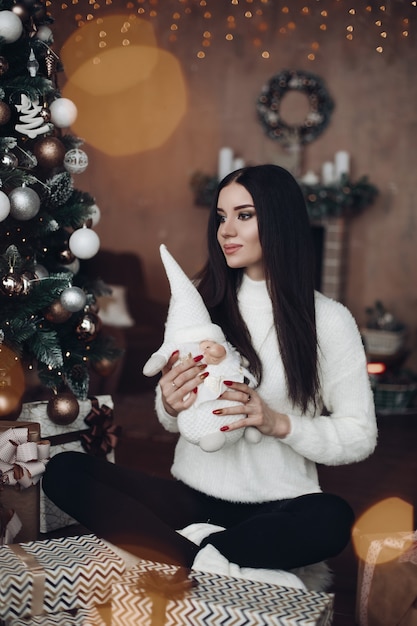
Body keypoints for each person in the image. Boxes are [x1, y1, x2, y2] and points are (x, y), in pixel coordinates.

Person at [43, 164, 377, 577]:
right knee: (64, 471)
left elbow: (360, 436)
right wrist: (169, 401)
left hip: (280, 507)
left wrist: (278, 423)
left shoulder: (330, 320)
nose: (226, 231)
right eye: (221, 217)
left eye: (244, 215)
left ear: (280, 219)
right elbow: (173, 418)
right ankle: (205, 557)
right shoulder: (201, 302)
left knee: (332, 517)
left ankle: (181, 553)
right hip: (192, 499)